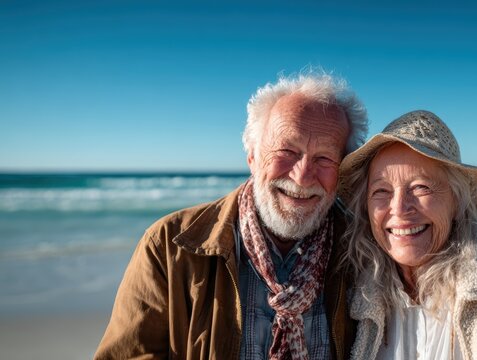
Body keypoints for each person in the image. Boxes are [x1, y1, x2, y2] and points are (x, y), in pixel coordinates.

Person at [94, 71, 368, 359]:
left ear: (344, 169)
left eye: (324, 158)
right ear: (252, 156)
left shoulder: (365, 251)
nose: (302, 177)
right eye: (287, 150)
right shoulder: (167, 246)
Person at [339, 110, 477, 359]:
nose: (399, 208)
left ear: (457, 202)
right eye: (381, 191)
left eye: (420, 187)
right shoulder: (350, 298)